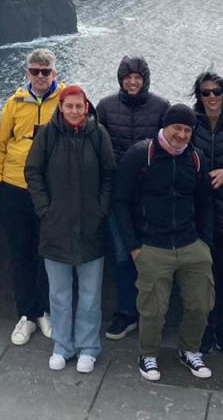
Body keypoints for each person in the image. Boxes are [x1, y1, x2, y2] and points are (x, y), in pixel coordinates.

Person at [113, 104, 214, 383]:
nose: (181, 135)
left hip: (190, 242)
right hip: (152, 245)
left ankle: (190, 349)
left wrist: (205, 244)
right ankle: (148, 354)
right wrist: (134, 246)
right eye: (177, 128)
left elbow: (205, 203)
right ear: (165, 127)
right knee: (153, 309)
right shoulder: (140, 154)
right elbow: (120, 200)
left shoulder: (196, 159)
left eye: (187, 130)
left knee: (200, 304)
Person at [24, 84, 116, 373]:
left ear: (86, 108)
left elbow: (109, 175)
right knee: (59, 294)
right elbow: (32, 171)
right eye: (69, 106)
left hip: (91, 227)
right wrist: (44, 209)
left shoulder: (98, 135)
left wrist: (101, 209)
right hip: (56, 227)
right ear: (60, 107)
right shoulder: (47, 135)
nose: (75, 111)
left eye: (80, 106)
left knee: (90, 295)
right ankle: (62, 346)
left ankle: (88, 346)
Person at [0, 47, 66, 345]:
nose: (40, 76)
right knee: (19, 252)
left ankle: (45, 310)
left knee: (45, 253)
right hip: (13, 187)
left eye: (45, 72)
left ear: (54, 74)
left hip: (48, 191)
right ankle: (26, 314)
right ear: (27, 73)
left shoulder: (65, 102)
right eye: (34, 71)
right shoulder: (14, 103)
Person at [95, 55, 169, 340]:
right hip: (117, 196)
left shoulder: (162, 108)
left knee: (154, 258)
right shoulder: (105, 107)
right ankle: (126, 312)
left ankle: (153, 314)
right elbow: (96, 147)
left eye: (137, 77)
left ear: (145, 78)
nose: (132, 81)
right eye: (127, 77)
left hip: (151, 196)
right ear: (120, 80)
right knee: (124, 256)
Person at [190, 71, 223, 354]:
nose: (212, 97)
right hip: (198, 213)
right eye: (206, 92)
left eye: (217, 92)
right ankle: (204, 331)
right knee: (200, 278)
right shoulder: (190, 124)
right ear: (199, 97)